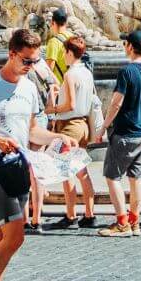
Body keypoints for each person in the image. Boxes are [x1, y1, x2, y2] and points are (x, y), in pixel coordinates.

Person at [0, 28, 76, 281]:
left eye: (35, 61)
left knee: (1, 236)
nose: (31, 66)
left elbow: (32, 130)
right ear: (11, 54)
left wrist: (57, 139)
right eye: (26, 60)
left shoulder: (29, 87)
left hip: (19, 169)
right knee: (15, 237)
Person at [94, 29, 141, 238]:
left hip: (124, 133)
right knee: (136, 177)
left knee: (112, 177)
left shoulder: (126, 72)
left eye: (125, 44)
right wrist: (140, 110)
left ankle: (122, 222)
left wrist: (103, 126)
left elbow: (116, 103)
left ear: (130, 47)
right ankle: (135, 222)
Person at [44, 37, 96, 231]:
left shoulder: (70, 74)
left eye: (64, 52)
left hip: (70, 127)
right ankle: (90, 214)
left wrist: (52, 109)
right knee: (82, 171)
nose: (63, 56)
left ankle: (71, 215)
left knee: (66, 171)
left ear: (69, 52)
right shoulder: (86, 73)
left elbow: (70, 105)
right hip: (83, 125)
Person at [24, 47, 58, 235]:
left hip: (27, 118)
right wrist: (51, 113)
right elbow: (55, 84)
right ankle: (37, 218)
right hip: (42, 116)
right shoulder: (42, 65)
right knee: (37, 170)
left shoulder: (24, 68)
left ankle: (25, 219)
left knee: (24, 167)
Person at [44, 8, 70, 86]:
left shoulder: (54, 42)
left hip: (61, 87)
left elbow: (49, 69)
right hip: (74, 85)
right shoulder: (73, 37)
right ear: (66, 23)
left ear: (53, 23)